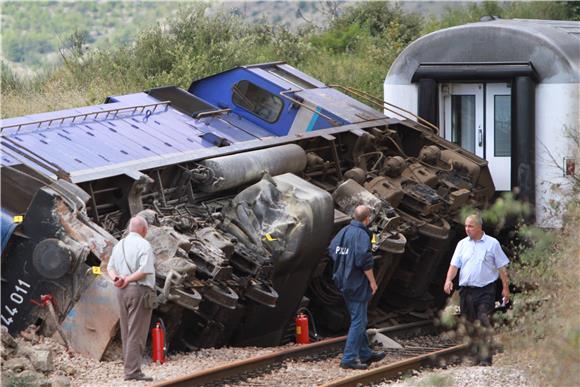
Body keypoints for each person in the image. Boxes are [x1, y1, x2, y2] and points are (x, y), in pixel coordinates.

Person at [443, 213, 510, 366]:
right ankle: (475, 354)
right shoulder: (462, 244)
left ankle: (486, 358)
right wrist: (448, 280)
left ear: (479, 227)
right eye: (466, 226)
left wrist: (505, 288)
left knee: (483, 319)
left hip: (486, 289)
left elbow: (502, 268)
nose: (467, 229)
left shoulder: (492, 244)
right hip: (466, 290)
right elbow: (454, 265)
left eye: (470, 226)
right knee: (470, 323)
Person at [329, 205, 385, 370]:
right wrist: (373, 282)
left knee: (360, 318)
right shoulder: (361, 235)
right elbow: (364, 261)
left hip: (343, 281)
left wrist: (343, 265)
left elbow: (332, 249)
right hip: (357, 283)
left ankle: (365, 353)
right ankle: (349, 358)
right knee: (358, 321)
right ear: (367, 219)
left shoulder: (344, 231)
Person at [108, 216, 156, 381]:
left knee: (126, 331)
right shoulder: (144, 245)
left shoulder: (119, 245)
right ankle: (132, 372)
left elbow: (110, 268)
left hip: (121, 292)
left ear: (129, 229)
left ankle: (128, 368)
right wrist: (128, 279)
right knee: (137, 331)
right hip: (138, 290)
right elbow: (144, 270)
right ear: (144, 230)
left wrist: (117, 279)